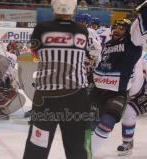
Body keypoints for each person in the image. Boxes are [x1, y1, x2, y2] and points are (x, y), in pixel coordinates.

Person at [23, 0, 99, 158]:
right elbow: (89, 53)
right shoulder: (82, 30)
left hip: (46, 98)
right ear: (74, 9)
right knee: (78, 145)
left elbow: (35, 53)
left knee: (37, 144)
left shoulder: (42, 28)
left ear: (53, 7)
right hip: (77, 96)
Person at [91, 0, 147, 155]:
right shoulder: (107, 45)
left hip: (133, 90)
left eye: (122, 28)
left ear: (129, 31)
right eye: (115, 26)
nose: (117, 29)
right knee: (88, 123)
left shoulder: (132, 42)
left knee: (126, 114)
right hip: (101, 90)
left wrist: (144, 11)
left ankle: (127, 143)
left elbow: (140, 28)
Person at [116, 52, 147, 156]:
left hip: (144, 92)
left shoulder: (142, 54)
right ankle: (127, 142)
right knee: (128, 112)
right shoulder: (114, 53)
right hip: (133, 96)